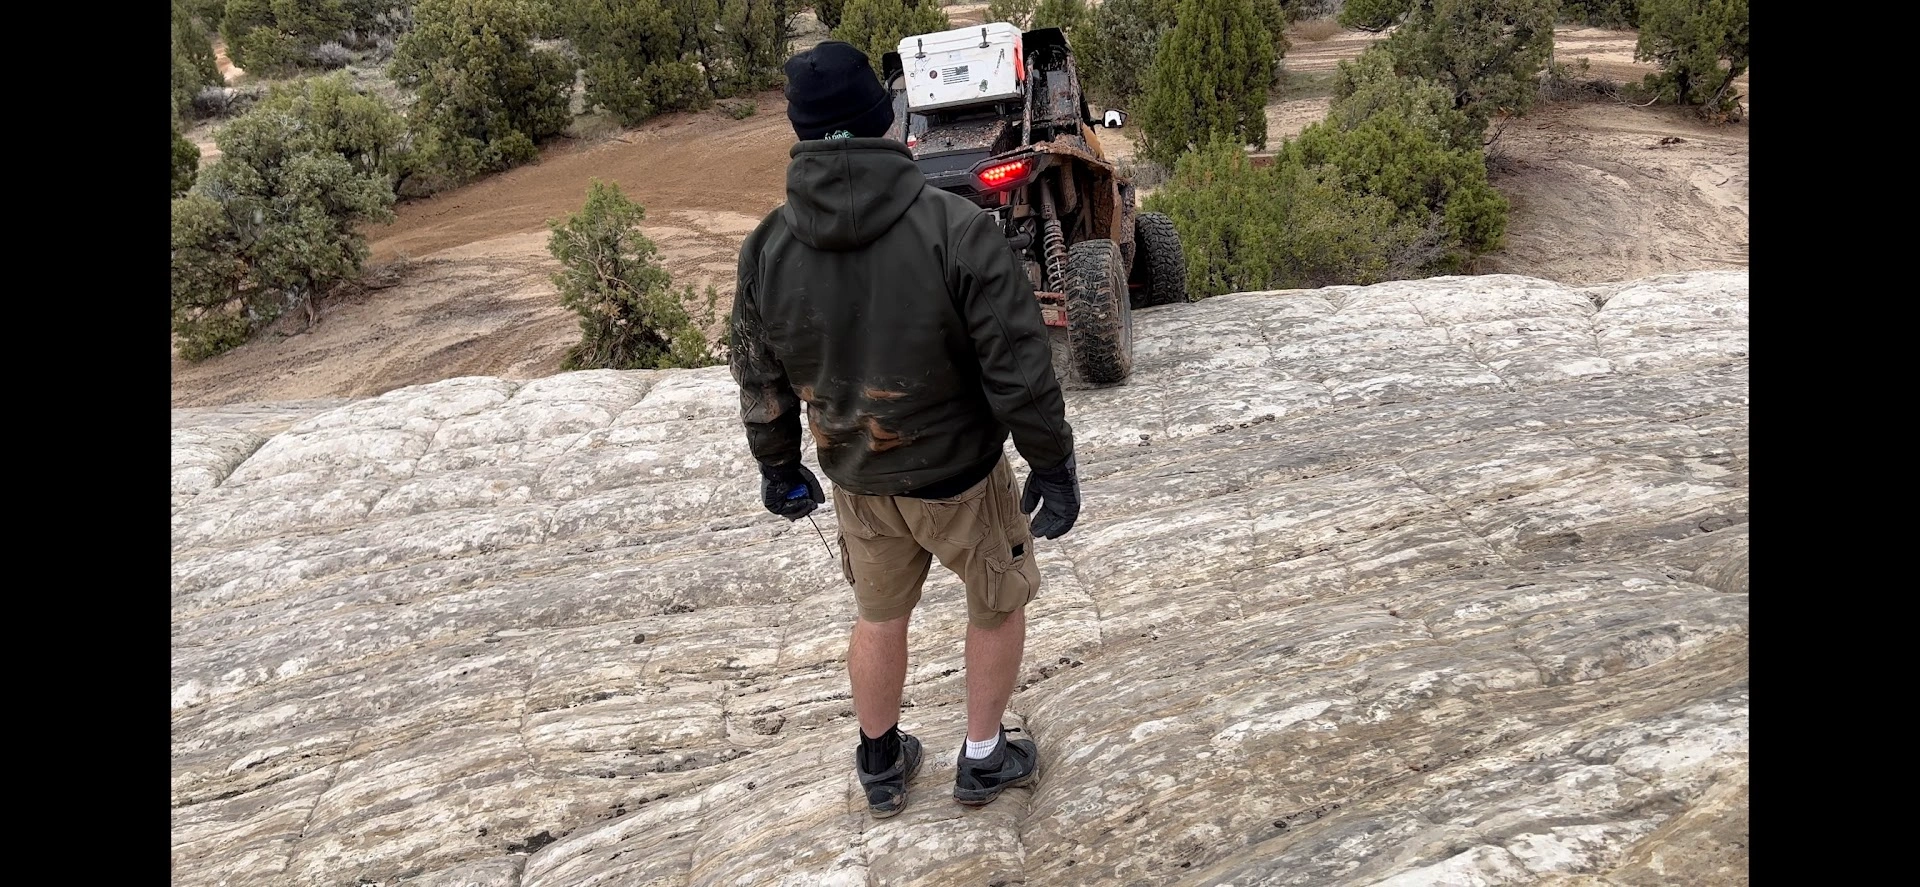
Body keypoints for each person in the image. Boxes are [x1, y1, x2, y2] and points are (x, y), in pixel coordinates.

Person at [729, 41, 1081, 819]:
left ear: (801, 132)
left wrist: (778, 469)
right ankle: (983, 757)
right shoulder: (954, 226)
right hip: (960, 477)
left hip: (858, 478)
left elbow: (758, 378)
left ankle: (882, 761)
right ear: (883, 119)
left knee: (879, 613)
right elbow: (1019, 369)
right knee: (997, 601)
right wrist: (1053, 465)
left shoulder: (767, 246)